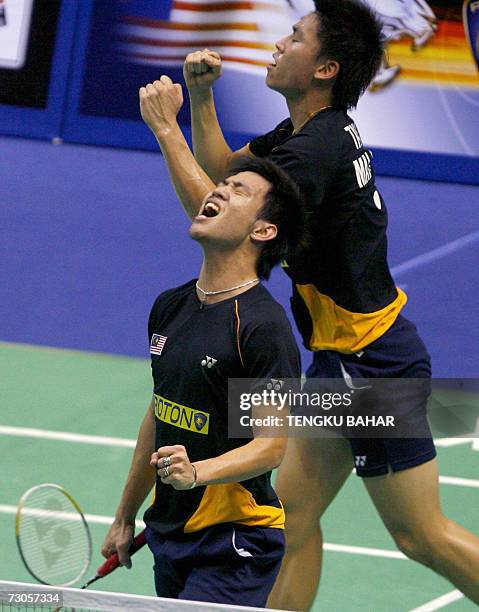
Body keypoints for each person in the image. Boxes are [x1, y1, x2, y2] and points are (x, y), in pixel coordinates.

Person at [132, 0, 479, 609]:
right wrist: (202, 97)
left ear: (325, 68)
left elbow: (220, 214)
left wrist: (167, 128)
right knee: (288, 519)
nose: (280, 43)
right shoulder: (305, 133)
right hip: (338, 361)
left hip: (373, 369)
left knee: (421, 535)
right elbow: (231, 176)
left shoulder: (315, 151)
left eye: (295, 37)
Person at [101, 151, 307, 607]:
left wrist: (197, 473)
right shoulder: (171, 307)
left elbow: (269, 446)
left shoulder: (259, 327)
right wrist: (125, 515)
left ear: (263, 230)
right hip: (171, 532)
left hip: (235, 541)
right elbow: (160, 414)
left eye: (239, 190)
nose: (218, 189)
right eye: (223, 184)